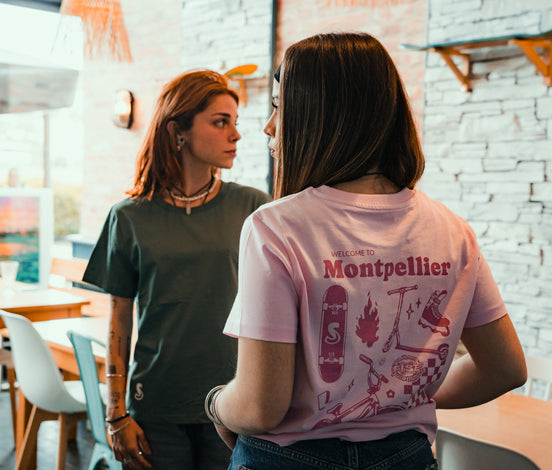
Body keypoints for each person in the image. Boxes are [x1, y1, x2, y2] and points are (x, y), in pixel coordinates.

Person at [207, 32, 527, 470]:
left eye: (279, 106)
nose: (268, 125)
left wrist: (217, 404)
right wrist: (397, 394)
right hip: (407, 457)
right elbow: (505, 369)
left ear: (318, 115)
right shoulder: (453, 231)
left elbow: (261, 407)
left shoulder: (274, 227)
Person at [82, 69, 271, 470]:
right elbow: (118, 320)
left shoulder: (254, 208)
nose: (235, 135)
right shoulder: (128, 217)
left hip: (235, 401)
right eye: (221, 123)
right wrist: (115, 414)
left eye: (235, 123)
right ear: (178, 131)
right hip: (156, 406)